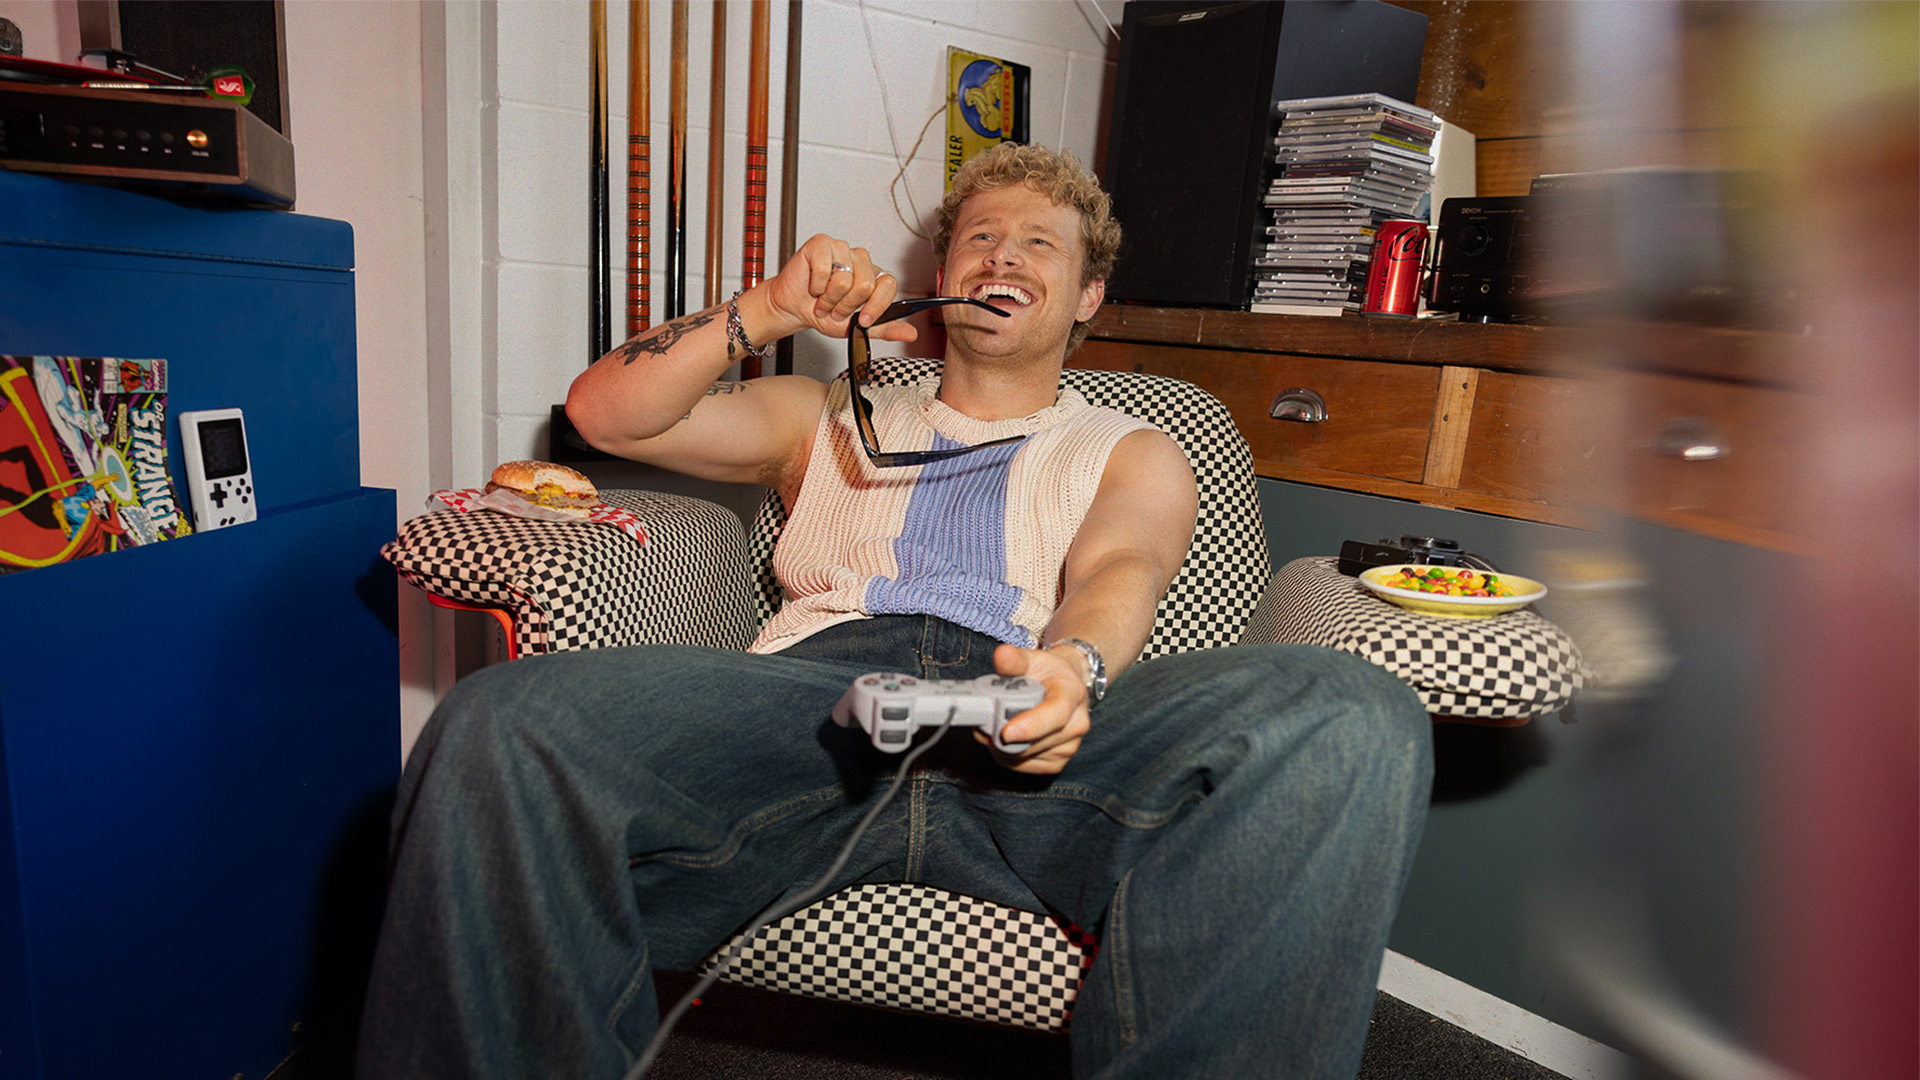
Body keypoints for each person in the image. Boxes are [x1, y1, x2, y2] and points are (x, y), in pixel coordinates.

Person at [356, 142, 1432, 1079]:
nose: (1002, 255)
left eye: (1040, 244)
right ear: (941, 272)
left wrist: (1076, 671)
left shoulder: (1136, 444)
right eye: (979, 236)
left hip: (1023, 721)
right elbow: (604, 415)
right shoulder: (827, 412)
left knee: (1351, 711)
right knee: (501, 722)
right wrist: (769, 311)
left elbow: (1122, 572)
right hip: (812, 715)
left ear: (1089, 296)